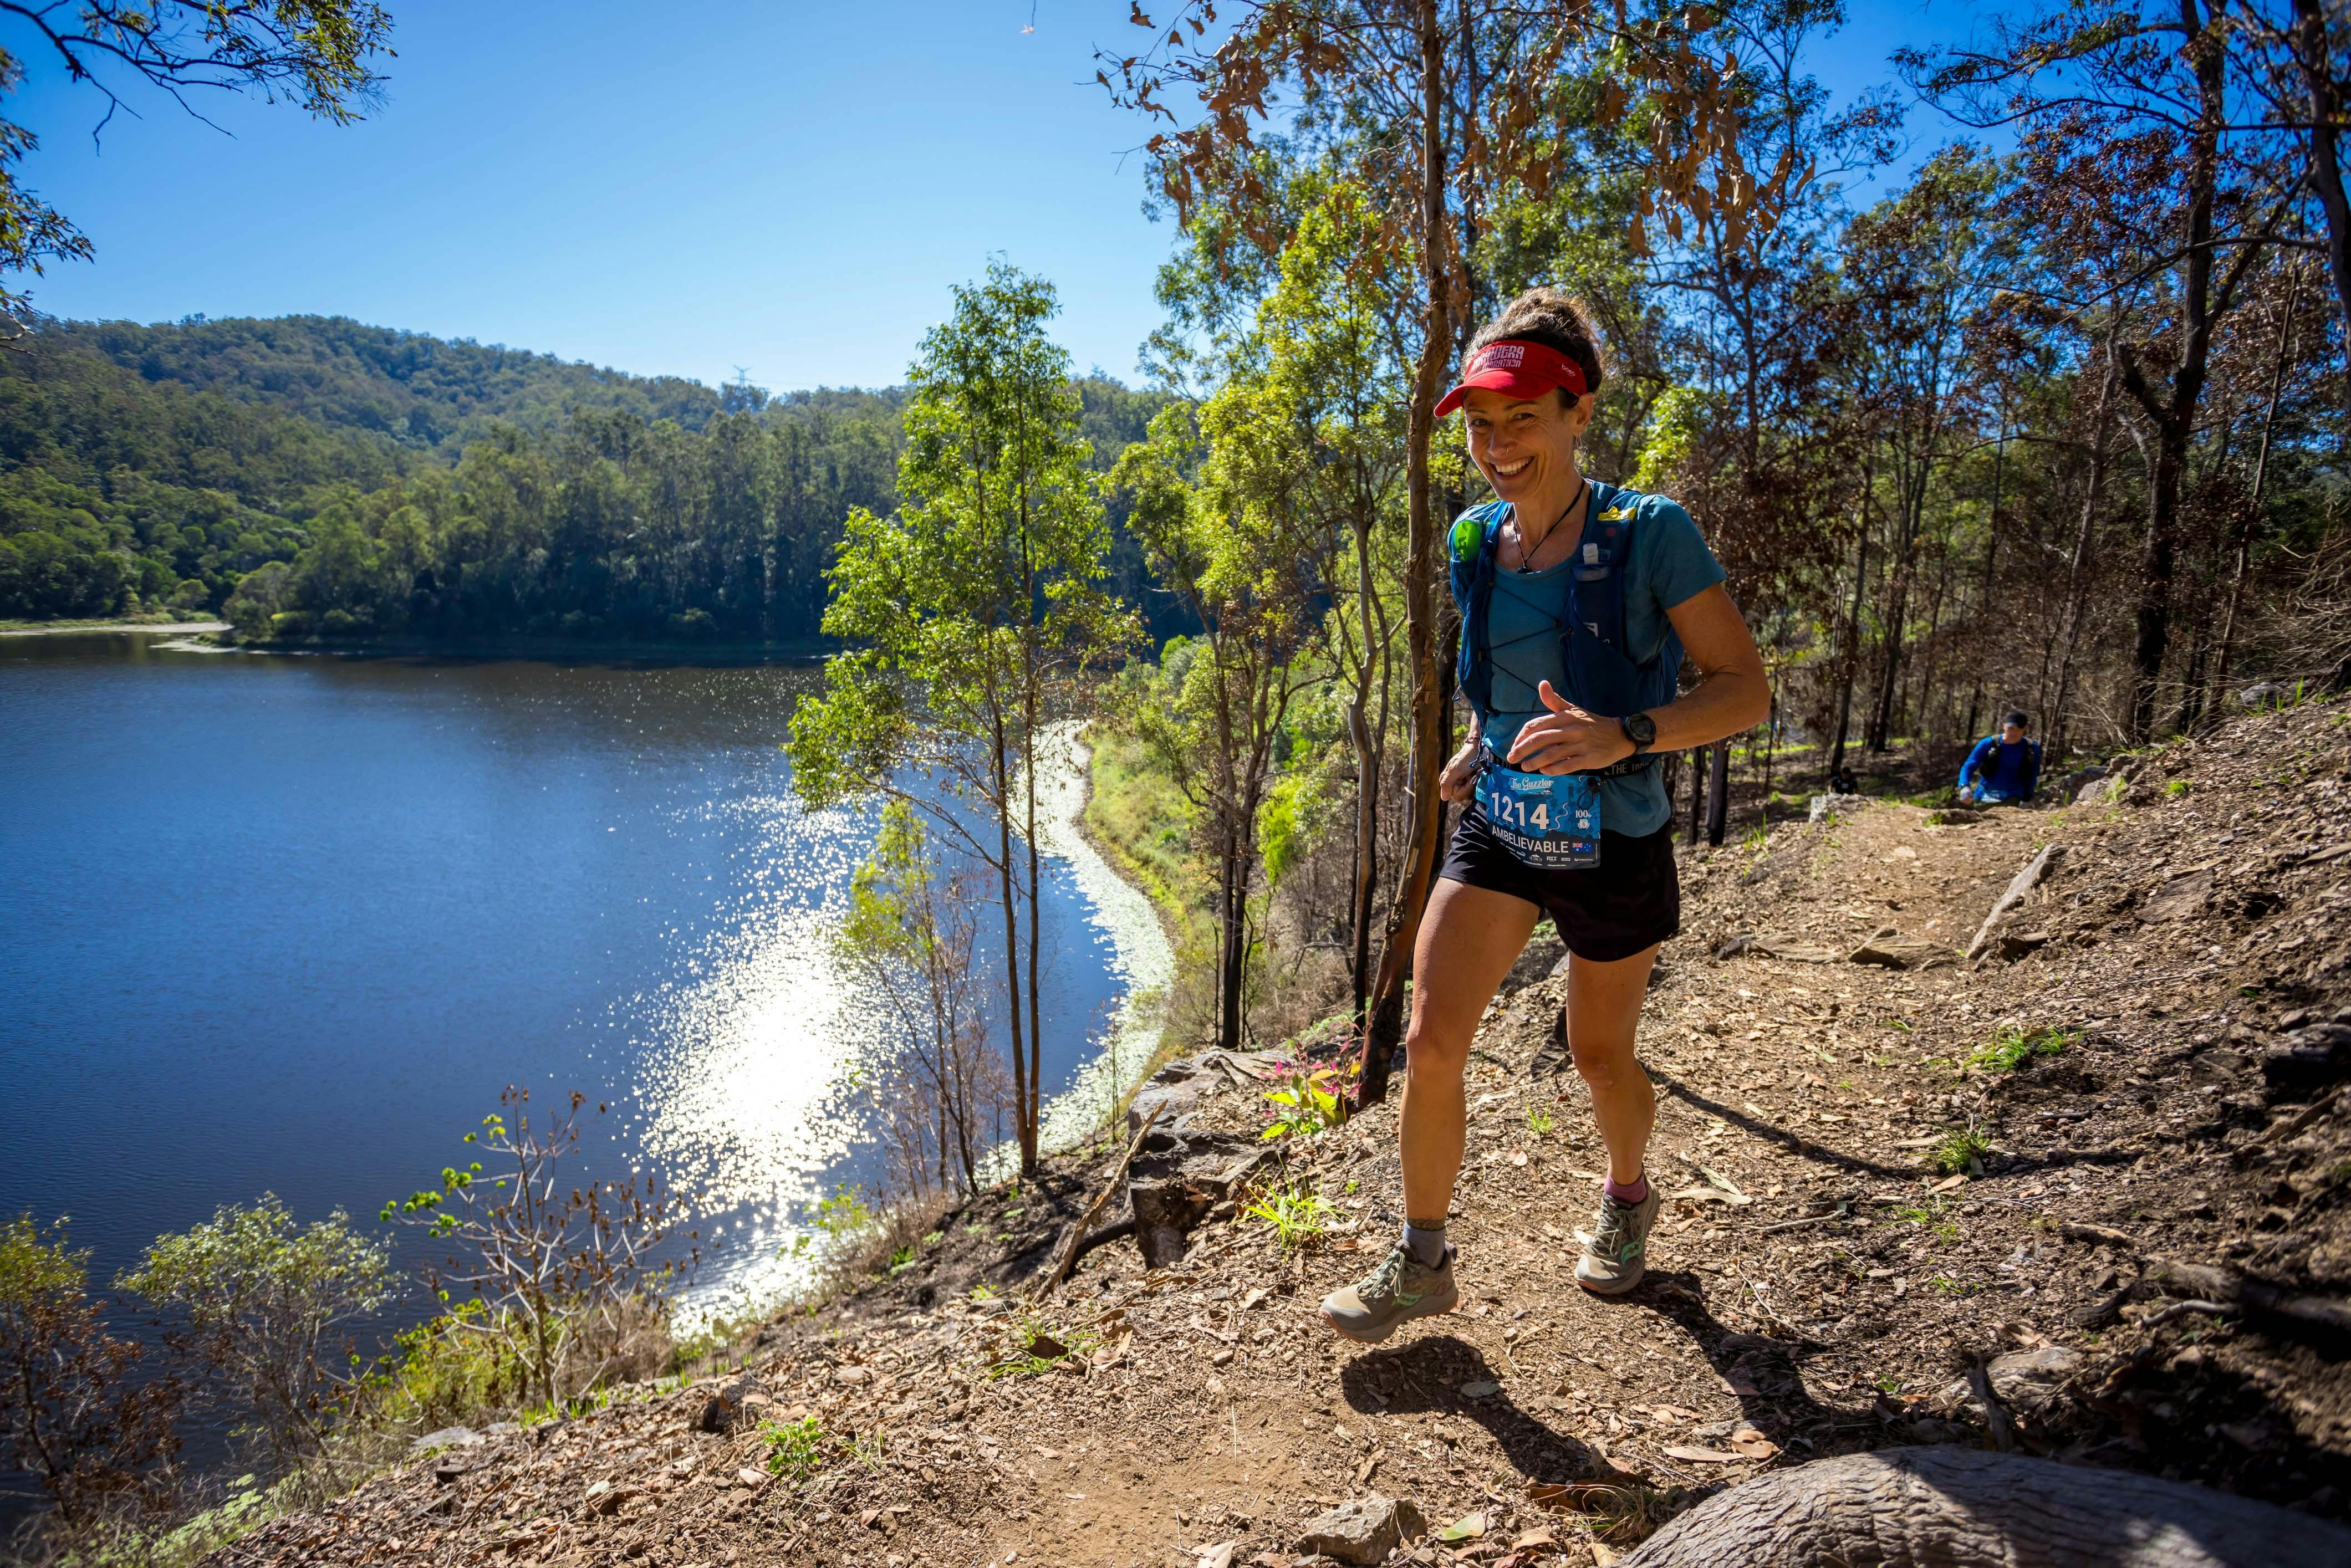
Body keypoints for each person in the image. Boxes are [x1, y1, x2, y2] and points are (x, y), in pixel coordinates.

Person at [1319, 289, 1769, 1343]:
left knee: (1597, 1055)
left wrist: (1627, 734)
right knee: (1431, 1039)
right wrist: (1481, 745)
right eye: (1480, 422)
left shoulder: (1650, 532)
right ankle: (1422, 1256)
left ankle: (1626, 1197)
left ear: (1579, 411)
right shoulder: (1477, 539)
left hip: (1615, 832)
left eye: (1523, 415)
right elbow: (1500, 682)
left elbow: (1745, 689)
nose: (1497, 442)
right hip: (1506, 824)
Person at [1956, 712, 2041, 805]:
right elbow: (1969, 766)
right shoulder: (1988, 743)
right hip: (1985, 795)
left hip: (2014, 797)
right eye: (2011, 729)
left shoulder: (2032, 749)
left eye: (2019, 729)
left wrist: (2027, 797)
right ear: (2003, 726)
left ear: (2025, 728)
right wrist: (1964, 786)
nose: (2014, 733)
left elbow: (2033, 774)